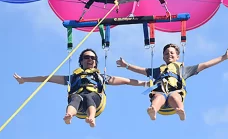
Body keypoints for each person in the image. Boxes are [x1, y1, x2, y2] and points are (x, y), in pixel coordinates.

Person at [13, 48, 148, 128]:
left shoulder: (101, 77)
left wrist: (144, 83)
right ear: (81, 61)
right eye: (87, 57)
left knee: (89, 97)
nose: (90, 60)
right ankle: (69, 115)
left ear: (96, 62)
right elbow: (47, 78)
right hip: (78, 99)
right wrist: (24, 80)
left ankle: (91, 118)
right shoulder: (72, 78)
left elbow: (126, 81)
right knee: (76, 97)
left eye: (93, 58)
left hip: (95, 99)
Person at [116, 43, 228, 121]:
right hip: (161, 91)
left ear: (177, 57)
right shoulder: (159, 70)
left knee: (174, 96)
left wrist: (224, 57)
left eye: (171, 53)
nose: (169, 54)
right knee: (158, 96)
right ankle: (153, 110)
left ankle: (180, 110)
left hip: (175, 91)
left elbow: (205, 65)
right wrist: (126, 66)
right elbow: (142, 70)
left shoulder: (183, 69)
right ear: (163, 57)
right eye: (166, 53)